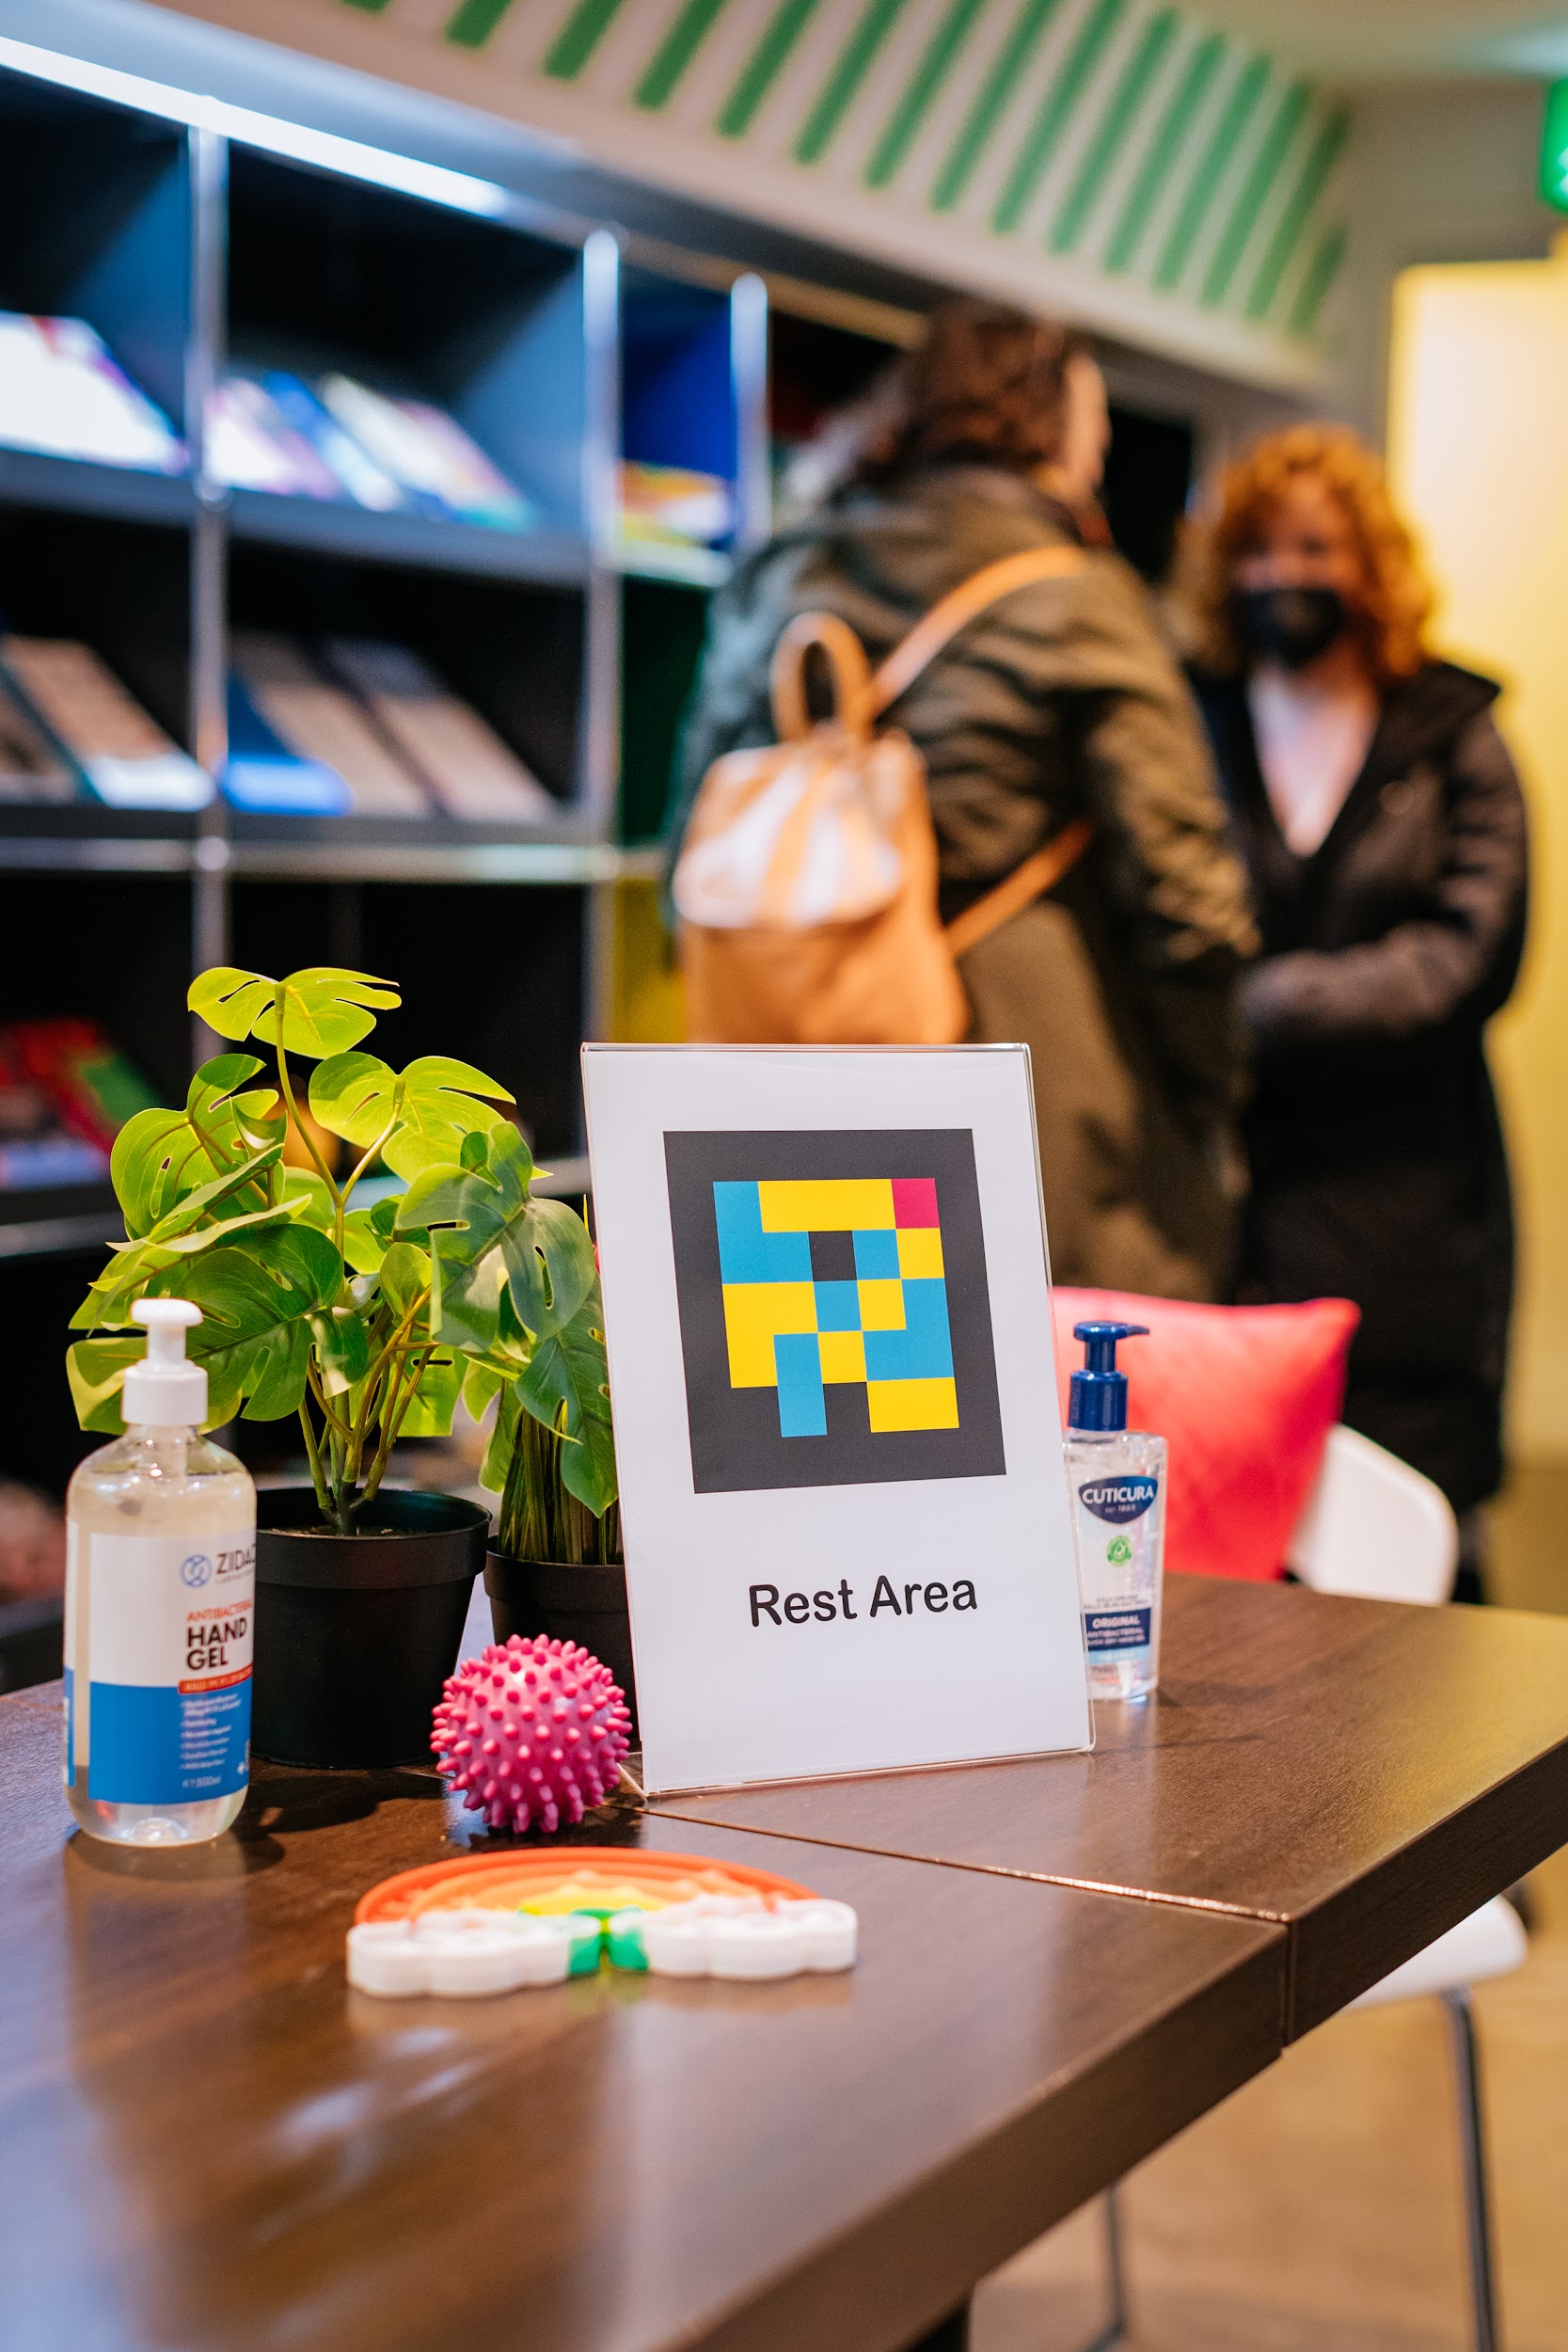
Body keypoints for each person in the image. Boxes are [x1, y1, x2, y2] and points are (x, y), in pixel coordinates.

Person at [672, 299, 1258, 1300]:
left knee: (834, 1398)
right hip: (1025, 1075)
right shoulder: (1078, 593)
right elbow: (1183, 895)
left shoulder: (779, 572)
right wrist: (1204, 1095)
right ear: (1050, 430)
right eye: (1093, 432)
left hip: (798, 1078)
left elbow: (693, 841)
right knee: (1048, 1410)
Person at [1183, 425, 1528, 1581]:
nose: (1286, 573)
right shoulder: (1194, 722)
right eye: (1262, 548)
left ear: (1368, 565)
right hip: (1240, 1187)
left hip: (1412, 1194)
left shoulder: (1451, 735)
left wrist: (1263, 1007)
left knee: (1412, 1523)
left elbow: (1471, 953)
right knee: (1245, 1525)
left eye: (1316, 547)